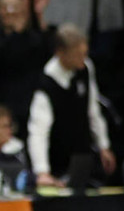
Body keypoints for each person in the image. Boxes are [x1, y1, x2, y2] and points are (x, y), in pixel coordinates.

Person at [26, 25, 114, 185]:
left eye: (84, 53)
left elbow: (93, 109)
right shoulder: (47, 84)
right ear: (60, 53)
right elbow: (38, 131)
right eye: (77, 55)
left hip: (83, 154)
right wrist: (42, 171)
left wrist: (103, 145)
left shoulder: (86, 68)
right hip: (58, 158)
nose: (83, 59)